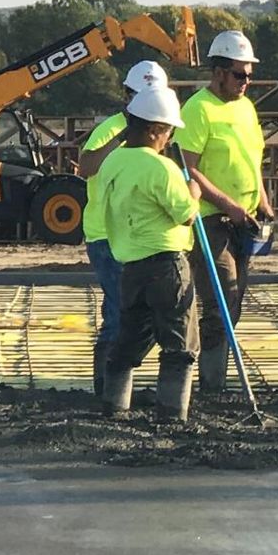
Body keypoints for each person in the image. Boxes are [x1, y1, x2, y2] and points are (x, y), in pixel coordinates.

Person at [176, 29, 272, 395]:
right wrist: (227, 205)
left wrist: (262, 199)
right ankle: (211, 386)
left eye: (249, 75)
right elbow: (189, 168)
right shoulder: (198, 110)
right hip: (212, 222)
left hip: (243, 220)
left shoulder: (245, 108)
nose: (246, 81)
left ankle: (216, 379)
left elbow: (251, 158)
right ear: (217, 72)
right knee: (219, 305)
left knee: (234, 303)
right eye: (239, 74)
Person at [99, 86, 199, 421]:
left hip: (130, 267)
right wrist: (194, 193)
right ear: (155, 129)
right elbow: (185, 213)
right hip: (167, 264)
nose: (169, 139)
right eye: (168, 131)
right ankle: (172, 414)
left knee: (129, 339)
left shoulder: (113, 161)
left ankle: (114, 404)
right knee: (179, 344)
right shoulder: (162, 168)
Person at [79, 60, 172, 398]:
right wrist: (123, 135)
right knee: (120, 311)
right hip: (106, 234)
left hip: (137, 237)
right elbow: (86, 167)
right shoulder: (113, 129)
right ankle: (109, 388)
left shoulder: (162, 131)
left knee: (134, 311)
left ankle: (116, 385)